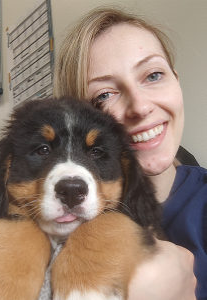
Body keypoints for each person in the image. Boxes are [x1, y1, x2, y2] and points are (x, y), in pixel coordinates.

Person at [53, 7, 207, 299]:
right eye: (104, 95)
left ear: (176, 80)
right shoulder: (53, 218)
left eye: (153, 75)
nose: (140, 106)